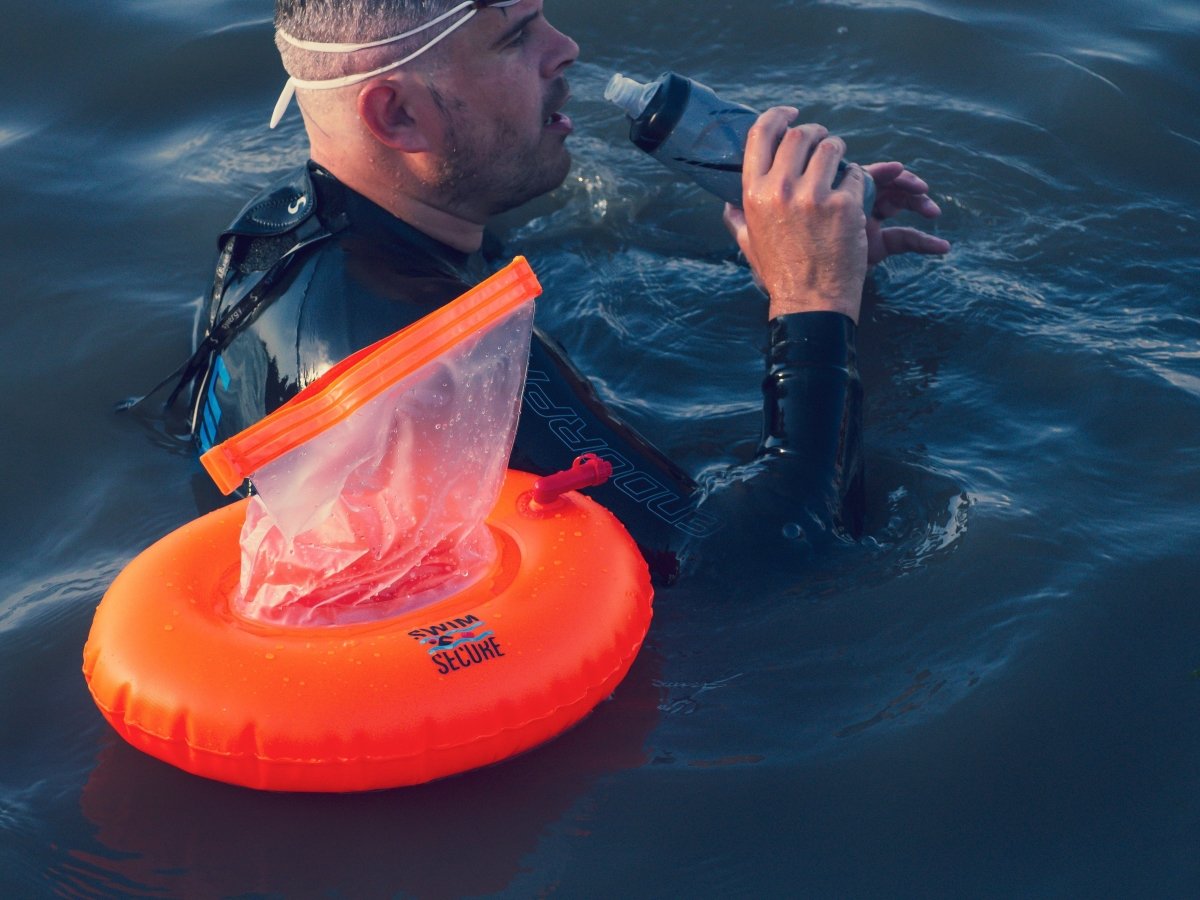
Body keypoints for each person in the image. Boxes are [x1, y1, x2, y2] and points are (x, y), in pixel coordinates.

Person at [180, 0, 949, 584]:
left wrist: (806, 254)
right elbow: (763, 565)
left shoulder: (284, 229)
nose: (565, 48)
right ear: (398, 113)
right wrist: (813, 296)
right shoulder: (432, 358)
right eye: (517, 36)